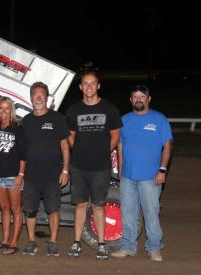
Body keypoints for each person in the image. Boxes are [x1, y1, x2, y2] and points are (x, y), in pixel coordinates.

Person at [65, 70, 122, 260]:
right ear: (80, 87)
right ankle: (76, 243)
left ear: (98, 86)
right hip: (79, 166)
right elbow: (70, 136)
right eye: (85, 83)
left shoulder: (110, 109)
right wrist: (79, 150)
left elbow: (115, 135)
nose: (89, 87)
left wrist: (103, 151)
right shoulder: (73, 110)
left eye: (93, 83)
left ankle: (102, 244)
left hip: (101, 166)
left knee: (98, 205)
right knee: (80, 205)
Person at [111, 85, 172, 262]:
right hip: (128, 176)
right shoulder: (125, 120)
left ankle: (154, 247)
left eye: (142, 96)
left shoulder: (159, 119)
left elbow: (167, 146)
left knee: (151, 213)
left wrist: (162, 170)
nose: (138, 99)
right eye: (135, 97)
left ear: (148, 99)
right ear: (131, 100)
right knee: (128, 214)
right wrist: (121, 170)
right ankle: (128, 247)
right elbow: (120, 146)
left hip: (151, 177)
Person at [22, 82, 70, 256]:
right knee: (30, 209)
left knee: (53, 209)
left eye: (42, 95)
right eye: (35, 95)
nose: (39, 98)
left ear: (47, 97)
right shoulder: (26, 121)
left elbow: (65, 145)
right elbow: (22, 149)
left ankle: (53, 242)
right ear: (31, 98)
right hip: (31, 175)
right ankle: (31, 241)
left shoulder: (57, 118)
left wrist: (65, 170)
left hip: (52, 175)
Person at [0, 97, 26, 255]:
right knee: (4, 208)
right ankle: (5, 240)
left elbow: (23, 154)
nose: (4, 111)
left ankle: (14, 242)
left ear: (11, 110)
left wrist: (20, 174)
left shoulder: (18, 127)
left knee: (15, 209)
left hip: (13, 175)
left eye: (7, 108)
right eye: (1, 108)